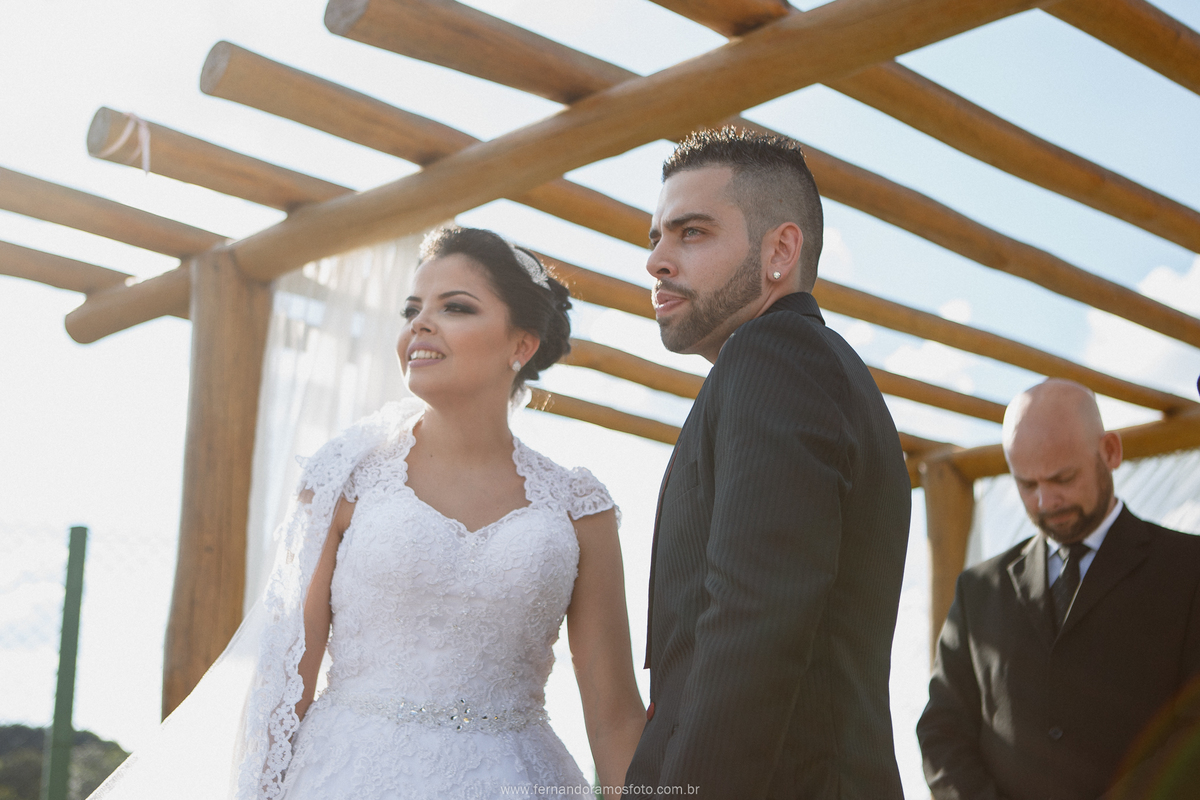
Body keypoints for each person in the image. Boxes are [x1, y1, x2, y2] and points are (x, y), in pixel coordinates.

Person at [92, 227, 646, 800]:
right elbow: (285, 685)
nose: (420, 324)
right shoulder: (347, 476)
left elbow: (614, 718)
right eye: (413, 309)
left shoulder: (579, 510)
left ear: (521, 346)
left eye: (455, 307)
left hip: (523, 781)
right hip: (346, 777)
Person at [624, 127, 912, 798]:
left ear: (780, 250)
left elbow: (753, 628)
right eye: (654, 238)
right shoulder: (807, 367)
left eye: (691, 233)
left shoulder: (773, 357)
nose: (657, 262)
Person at [917, 378, 1200, 800]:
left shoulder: (1188, 569)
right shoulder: (978, 591)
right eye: (1027, 485)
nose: (1046, 502)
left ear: (1110, 452)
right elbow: (943, 730)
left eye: (1062, 478)